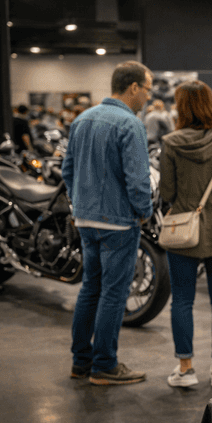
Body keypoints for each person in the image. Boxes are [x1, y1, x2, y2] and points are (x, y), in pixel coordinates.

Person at [61, 61, 153, 385]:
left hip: (85, 220)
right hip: (118, 222)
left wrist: (80, 204)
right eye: (148, 88)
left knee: (90, 289)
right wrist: (145, 210)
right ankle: (104, 365)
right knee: (113, 294)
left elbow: (67, 170)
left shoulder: (82, 119)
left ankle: (80, 363)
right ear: (133, 88)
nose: (148, 96)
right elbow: (138, 179)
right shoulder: (130, 124)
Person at [159, 81, 212, 388]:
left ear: (182, 108)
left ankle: (185, 369)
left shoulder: (170, 143)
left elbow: (167, 192)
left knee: (182, 300)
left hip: (184, 229)